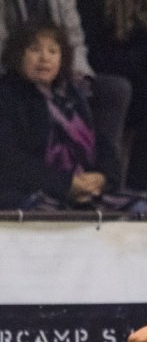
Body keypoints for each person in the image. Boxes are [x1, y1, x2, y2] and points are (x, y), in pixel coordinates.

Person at [0, 18, 129, 211]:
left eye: (53, 51)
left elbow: (101, 144)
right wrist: (66, 185)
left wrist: (102, 178)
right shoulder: (7, 96)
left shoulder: (72, 94)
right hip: (28, 191)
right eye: (35, 50)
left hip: (82, 190)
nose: (45, 58)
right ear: (18, 55)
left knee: (140, 211)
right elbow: (10, 163)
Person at [72, 0, 147, 198]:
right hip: (101, 73)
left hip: (140, 78)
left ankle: (136, 189)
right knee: (118, 91)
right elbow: (93, 46)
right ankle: (107, 183)